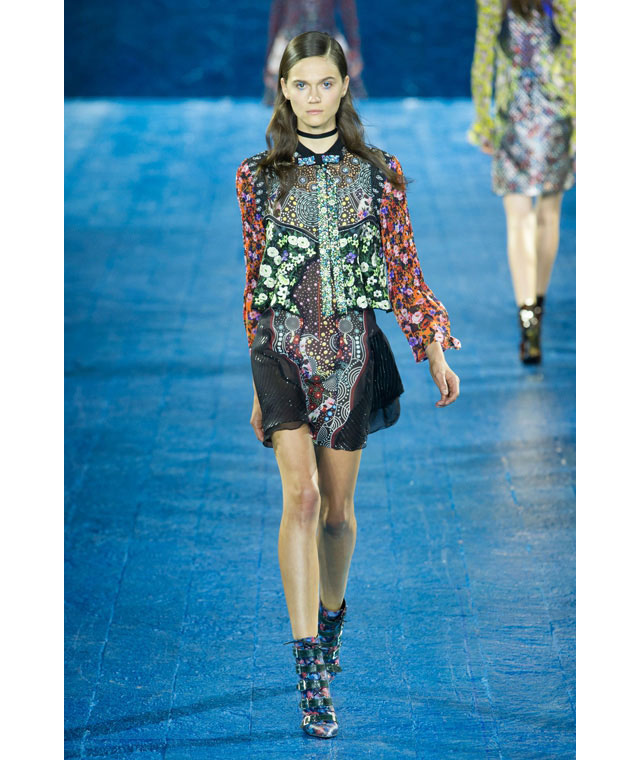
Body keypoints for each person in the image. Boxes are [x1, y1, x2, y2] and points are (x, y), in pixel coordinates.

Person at [236, 31, 460, 739]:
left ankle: (331, 618)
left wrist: (433, 350)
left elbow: (404, 270)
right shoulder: (256, 178)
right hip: (279, 349)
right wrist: (257, 385)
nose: (312, 97)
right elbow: (257, 280)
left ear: (344, 86)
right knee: (300, 499)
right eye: (300, 84)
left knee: (335, 512)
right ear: (283, 90)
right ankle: (309, 669)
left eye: (324, 83)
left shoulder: (379, 173)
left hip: (348, 355)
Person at [468, 0, 575, 363]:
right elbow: (574, 55)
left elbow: (484, 60)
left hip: (516, 117)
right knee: (545, 217)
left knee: (522, 220)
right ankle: (535, 314)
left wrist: (483, 121)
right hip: (549, 116)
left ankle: (528, 318)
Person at [263, 0, 366, 105]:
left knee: (352, 73)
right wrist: (270, 56)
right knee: (274, 80)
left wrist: (354, 50)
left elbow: (348, 13)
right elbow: (276, 15)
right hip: (290, 36)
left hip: (326, 34)